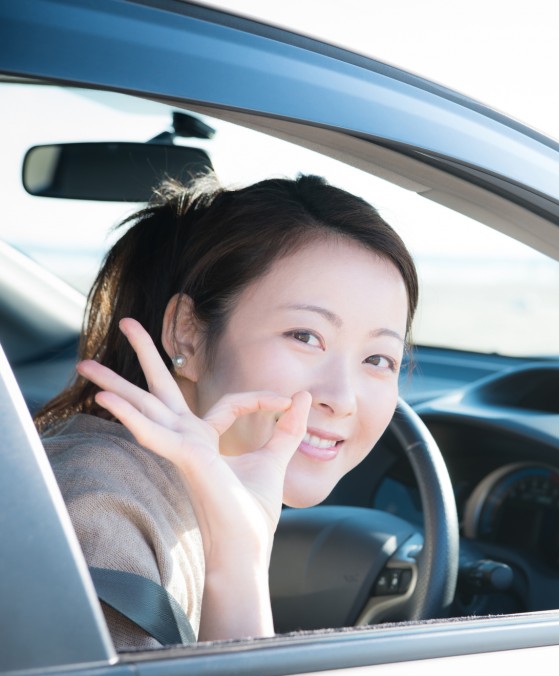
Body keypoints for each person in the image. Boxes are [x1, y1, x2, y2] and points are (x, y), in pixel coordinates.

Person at [36, 174, 418, 649]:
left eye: (378, 359)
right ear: (187, 334)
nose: (341, 398)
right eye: (305, 337)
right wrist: (240, 557)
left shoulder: (173, 495)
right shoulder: (99, 515)